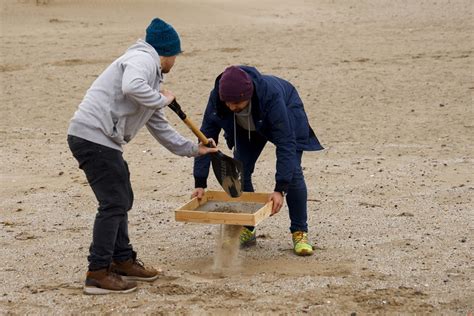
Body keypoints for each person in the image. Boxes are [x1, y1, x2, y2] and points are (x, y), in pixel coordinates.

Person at [67, 18, 217, 295]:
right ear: (166, 53)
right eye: (175, 56)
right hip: (92, 136)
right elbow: (131, 86)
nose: (174, 62)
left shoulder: (151, 80)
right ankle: (98, 273)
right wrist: (164, 99)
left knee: (122, 198)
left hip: (102, 140)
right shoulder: (142, 58)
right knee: (114, 202)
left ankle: (123, 260)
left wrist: (195, 149)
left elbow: (161, 128)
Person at [192, 66, 323, 256]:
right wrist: (200, 182)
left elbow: (286, 143)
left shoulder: (272, 97)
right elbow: (206, 138)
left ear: (249, 94)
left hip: (285, 113)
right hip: (247, 128)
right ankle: (248, 228)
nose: (232, 107)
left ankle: (299, 232)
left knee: (293, 174)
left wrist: (280, 189)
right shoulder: (218, 98)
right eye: (228, 103)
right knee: (240, 172)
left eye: (237, 102)